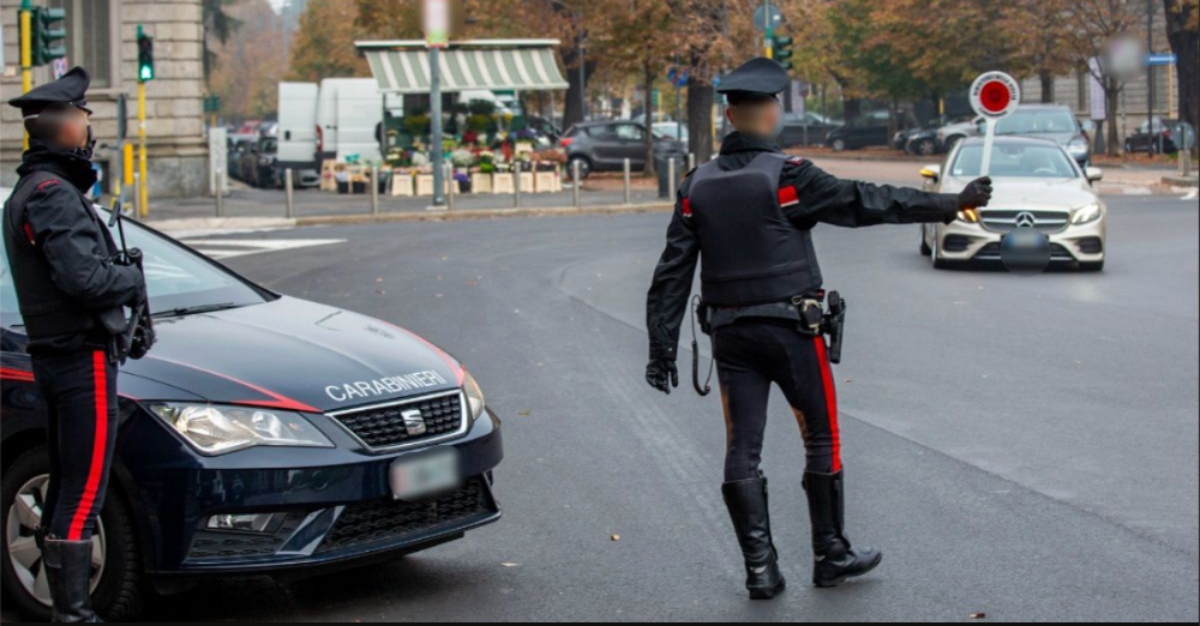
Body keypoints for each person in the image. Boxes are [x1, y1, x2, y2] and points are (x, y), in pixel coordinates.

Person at [644, 58, 992, 600]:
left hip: (731, 339)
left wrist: (660, 346)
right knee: (822, 436)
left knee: (743, 448)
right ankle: (831, 554)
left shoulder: (696, 187)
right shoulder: (788, 177)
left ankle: (761, 571)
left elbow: (672, 272)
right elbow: (867, 201)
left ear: (732, 115)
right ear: (772, 112)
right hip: (790, 332)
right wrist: (951, 203)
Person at [3, 67, 148, 622]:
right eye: (83, 117)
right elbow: (85, 281)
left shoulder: (33, 191)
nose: (88, 126)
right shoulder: (52, 195)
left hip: (57, 355)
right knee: (84, 489)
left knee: (69, 484)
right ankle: (75, 615)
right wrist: (131, 279)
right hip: (79, 357)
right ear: (64, 126)